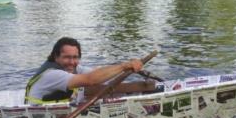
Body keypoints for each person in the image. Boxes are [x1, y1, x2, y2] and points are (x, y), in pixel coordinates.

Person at [25, 37, 155, 104]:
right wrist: (123, 66)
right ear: (55, 56)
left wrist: (130, 67)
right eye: (67, 57)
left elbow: (98, 74)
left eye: (75, 57)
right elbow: (91, 80)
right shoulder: (52, 74)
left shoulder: (74, 68)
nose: (72, 62)